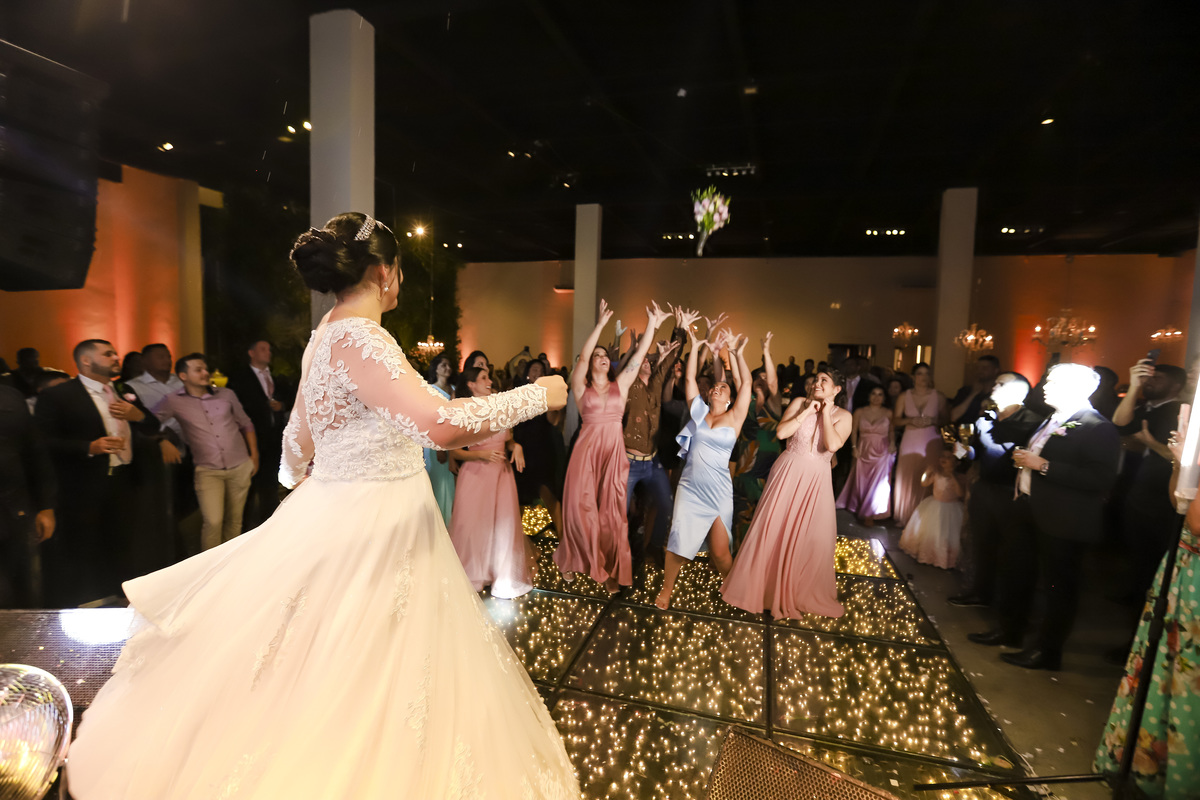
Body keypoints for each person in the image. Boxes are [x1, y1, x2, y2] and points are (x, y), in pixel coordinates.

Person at [66, 212, 578, 799]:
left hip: (339, 508)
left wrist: (310, 483)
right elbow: (437, 424)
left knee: (319, 659)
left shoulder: (324, 337)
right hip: (382, 522)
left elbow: (296, 442)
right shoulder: (363, 337)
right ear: (385, 271)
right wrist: (536, 395)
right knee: (375, 660)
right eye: (399, 271)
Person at [968, 363, 1120, 670]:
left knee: (1057, 588)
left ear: (1078, 389)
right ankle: (1010, 631)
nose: (1044, 387)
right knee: (1016, 573)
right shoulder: (1054, 419)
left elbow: (1101, 478)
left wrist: (1044, 466)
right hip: (1028, 508)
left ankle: (1047, 652)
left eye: (1053, 383)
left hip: (1064, 519)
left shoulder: (1096, 426)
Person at [1093, 405, 1199, 798]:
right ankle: (1146, 765)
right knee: (1164, 664)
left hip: (1196, 577)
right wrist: (1180, 465)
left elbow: (1198, 522)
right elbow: (1180, 503)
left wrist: (1189, 460)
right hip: (1182, 567)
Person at [554, 298, 670, 592]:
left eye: (605, 355)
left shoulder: (622, 385)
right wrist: (601, 325)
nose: (602, 357)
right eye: (598, 355)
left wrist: (652, 324)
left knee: (612, 515)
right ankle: (573, 557)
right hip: (586, 455)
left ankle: (606, 569)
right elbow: (582, 358)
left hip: (614, 454)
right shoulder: (581, 387)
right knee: (582, 510)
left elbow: (638, 356)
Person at [34, 340, 159, 606]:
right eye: (108, 354)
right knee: (83, 543)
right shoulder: (59, 395)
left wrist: (137, 415)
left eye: (115, 353)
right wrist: (89, 447)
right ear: (86, 361)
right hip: (82, 482)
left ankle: (120, 596)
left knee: (122, 540)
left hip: (124, 479)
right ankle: (83, 601)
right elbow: (42, 443)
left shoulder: (124, 390)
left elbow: (152, 425)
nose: (116, 357)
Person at [722, 367, 851, 619]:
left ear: (836, 389)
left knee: (812, 536)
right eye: (816, 379)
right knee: (774, 529)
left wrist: (825, 412)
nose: (817, 383)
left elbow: (833, 444)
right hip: (788, 472)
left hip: (816, 480)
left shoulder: (844, 416)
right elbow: (782, 433)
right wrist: (807, 412)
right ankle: (763, 590)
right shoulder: (799, 402)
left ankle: (798, 591)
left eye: (824, 380)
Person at [657, 323, 752, 609]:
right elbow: (689, 379)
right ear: (708, 395)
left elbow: (746, 384)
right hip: (690, 487)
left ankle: (732, 586)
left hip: (719, 490)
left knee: (720, 552)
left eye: (723, 387)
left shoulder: (735, 417)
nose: (717, 388)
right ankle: (666, 591)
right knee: (678, 541)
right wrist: (697, 344)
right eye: (715, 386)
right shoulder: (698, 412)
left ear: (730, 399)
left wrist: (735, 353)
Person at [948, 373, 1044, 607]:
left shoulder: (1034, 422)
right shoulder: (986, 418)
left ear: (1018, 392)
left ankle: (1011, 605)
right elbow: (977, 454)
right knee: (982, 544)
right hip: (985, 487)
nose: (994, 386)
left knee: (1012, 550)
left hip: (1012, 492)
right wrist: (962, 450)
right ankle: (981, 593)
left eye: (1001, 384)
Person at [154, 354, 259, 551]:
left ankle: (230, 562)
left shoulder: (226, 394)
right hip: (208, 471)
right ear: (183, 376)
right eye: (198, 370)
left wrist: (254, 456)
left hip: (240, 465)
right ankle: (210, 566)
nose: (205, 373)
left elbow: (246, 423)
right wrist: (162, 440)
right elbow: (149, 422)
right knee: (213, 521)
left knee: (235, 520)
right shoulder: (173, 400)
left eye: (205, 369)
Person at [448, 366, 534, 599]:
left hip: (501, 475)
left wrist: (516, 446)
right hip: (475, 475)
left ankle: (501, 575)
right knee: (473, 526)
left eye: (488, 378)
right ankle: (474, 573)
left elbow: (508, 439)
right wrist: (482, 454)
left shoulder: (499, 406)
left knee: (502, 525)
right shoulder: (466, 411)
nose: (489, 382)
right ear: (471, 385)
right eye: (483, 378)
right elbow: (455, 451)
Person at [1113, 360, 1187, 605]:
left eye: (1158, 379)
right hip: (1137, 490)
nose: (1150, 382)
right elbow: (1120, 424)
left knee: (1153, 555)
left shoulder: (1176, 411)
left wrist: (1148, 442)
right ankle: (1135, 597)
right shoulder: (1146, 407)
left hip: (1161, 498)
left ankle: (1145, 607)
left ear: (1176, 386)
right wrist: (1135, 387)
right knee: (1136, 552)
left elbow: (1175, 457)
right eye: (1149, 378)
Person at [623, 319, 684, 562]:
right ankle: (620, 553)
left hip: (652, 461)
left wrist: (680, 329)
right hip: (628, 461)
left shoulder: (656, 384)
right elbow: (636, 360)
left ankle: (653, 547)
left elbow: (669, 360)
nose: (647, 362)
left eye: (650, 361)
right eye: (643, 361)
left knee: (666, 505)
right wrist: (652, 328)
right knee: (621, 512)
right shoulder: (630, 387)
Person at [0, 384, 56, 608]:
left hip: (13, 510)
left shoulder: (10, 395)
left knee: (18, 587)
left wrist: (45, 506)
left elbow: (35, 452)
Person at [226, 339, 291, 529]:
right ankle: (244, 529)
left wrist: (282, 406)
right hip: (250, 439)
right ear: (251, 352)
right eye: (263, 349)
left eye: (269, 349)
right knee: (248, 488)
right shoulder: (239, 378)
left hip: (275, 439)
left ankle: (269, 526)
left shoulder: (277, 378)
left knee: (270, 487)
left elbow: (291, 397)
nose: (268, 352)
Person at [732, 332, 785, 547]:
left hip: (769, 460)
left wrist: (766, 351)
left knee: (768, 507)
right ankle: (739, 549)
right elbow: (738, 379)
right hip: (746, 461)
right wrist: (736, 353)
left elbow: (773, 381)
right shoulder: (747, 401)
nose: (762, 380)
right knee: (743, 508)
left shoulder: (775, 403)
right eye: (758, 377)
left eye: (765, 377)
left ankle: (763, 548)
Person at [512, 358, 565, 535]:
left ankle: (563, 538)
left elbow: (554, 421)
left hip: (543, 448)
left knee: (549, 492)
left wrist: (550, 399)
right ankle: (519, 539)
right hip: (522, 447)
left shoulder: (547, 395)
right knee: (520, 497)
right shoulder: (518, 393)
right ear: (527, 373)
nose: (538, 373)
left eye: (541, 371)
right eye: (534, 370)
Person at [892, 363, 946, 526]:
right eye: (920, 373)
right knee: (908, 477)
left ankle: (926, 519)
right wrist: (909, 420)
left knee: (929, 474)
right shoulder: (904, 396)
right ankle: (906, 516)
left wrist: (933, 421)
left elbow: (947, 420)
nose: (924, 377)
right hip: (910, 440)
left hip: (931, 440)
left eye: (927, 374)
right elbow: (895, 420)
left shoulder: (939, 396)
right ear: (913, 377)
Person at [836, 383, 894, 526]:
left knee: (878, 482)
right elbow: (853, 430)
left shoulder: (888, 413)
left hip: (882, 450)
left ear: (884, 398)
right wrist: (854, 447)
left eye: (880, 394)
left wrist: (892, 443)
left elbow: (891, 431)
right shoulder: (859, 412)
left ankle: (870, 513)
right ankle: (860, 506)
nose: (876, 397)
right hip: (863, 449)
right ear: (868, 396)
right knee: (861, 480)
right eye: (873, 393)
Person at [899, 444, 964, 569]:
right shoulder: (937, 474)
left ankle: (944, 558)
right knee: (932, 531)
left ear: (956, 462)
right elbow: (924, 483)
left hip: (951, 509)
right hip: (934, 505)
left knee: (945, 533)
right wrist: (927, 472)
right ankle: (929, 554)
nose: (944, 459)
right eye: (942, 456)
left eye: (948, 457)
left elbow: (960, 493)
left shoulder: (958, 478)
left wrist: (952, 476)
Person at [421, 354, 456, 527]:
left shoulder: (454, 389)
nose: (447, 368)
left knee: (450, 484)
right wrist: (438, 448)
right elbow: (429, 420)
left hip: (453, 441)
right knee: (437, 484)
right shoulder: (430, 390)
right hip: (435, 443)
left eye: (449, 365)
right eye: (443, 365)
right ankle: (436, 525)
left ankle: (450, 524)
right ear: (435, 368)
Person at [949, 355, 1001, 425]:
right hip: (965, 430)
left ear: (995, 370)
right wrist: (973, 394)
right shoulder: (965, 391)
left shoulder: (1000, 394)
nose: (980, 371)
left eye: (984, 368)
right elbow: (953, 417)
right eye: (977, 368)